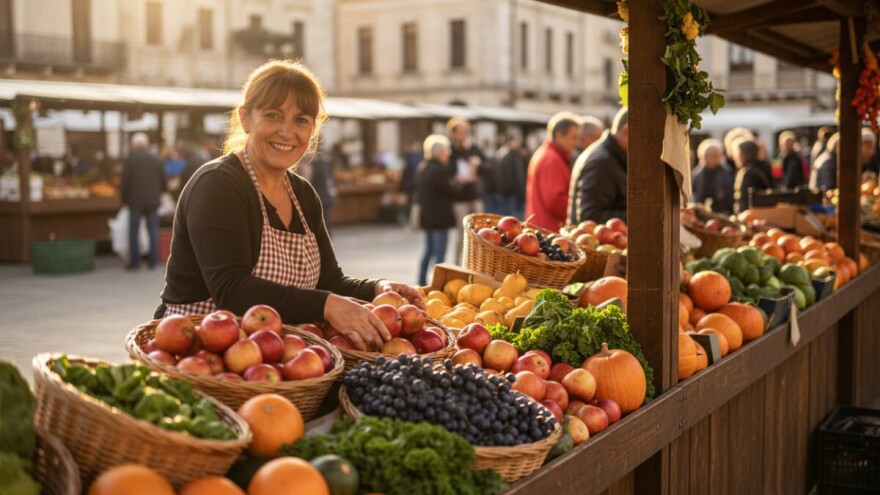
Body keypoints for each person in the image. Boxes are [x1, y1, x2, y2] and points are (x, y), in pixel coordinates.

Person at [155, 60, 422, 351]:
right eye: (273, 115)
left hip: (273, 355)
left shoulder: (303, 194)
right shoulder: (218, 185)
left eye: (301, 120)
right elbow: (231, 291)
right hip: (199, 353)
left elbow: (328, 280)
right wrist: (326, 305)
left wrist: (376, 289)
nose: (286, 131)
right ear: (245, 118)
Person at [414, 134, 475, 286]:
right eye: (446, 150)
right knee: (439, 254)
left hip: (428, 216)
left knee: (428, 251)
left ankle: (421, 281)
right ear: (439, 152)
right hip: (438, 218)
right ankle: (436, 285)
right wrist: (460, 183)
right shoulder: (438, 170)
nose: (448, 153)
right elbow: (451, 192)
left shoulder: (423, 167)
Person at [568, 107, 628, 224]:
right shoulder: (601, 162)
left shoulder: (612, 157)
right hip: (593, 240)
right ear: (627, 131)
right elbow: (589, 216)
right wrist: (641, 214)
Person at [525, 112, 582, 231]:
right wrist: (579, 210)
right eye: (573, 137)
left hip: (542, 226)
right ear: (559, 135)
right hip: (549, 229)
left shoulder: (547, 154)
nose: (576, 143)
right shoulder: (551, 159)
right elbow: (555, 201)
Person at [121, 132, 166, 270]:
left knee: (133, 231)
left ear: (135, 145)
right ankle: (152, 261)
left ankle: (135, 261)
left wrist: (125, 200)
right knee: (152, 229)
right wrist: (159, 194)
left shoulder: (130, 160)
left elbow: (125, 183)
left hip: (135, 201)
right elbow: (163, 181)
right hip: (153, 200)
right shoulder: (156, 159)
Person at [446, 117, 483, 263]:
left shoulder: (473, 149)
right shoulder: (450, 151)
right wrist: (456, 180)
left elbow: (487, 168)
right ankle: (458, 264)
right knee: (461, 234)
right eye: (460, 132)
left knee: (479, 234)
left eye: (465, 132)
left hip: (474, 195)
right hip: (459, 198)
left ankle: (475, 263)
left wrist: (477, 164)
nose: (463, 135)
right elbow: (446, 174)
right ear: (453, 134)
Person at [691, 138, 735, 214]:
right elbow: (695, 197)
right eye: (713, 156)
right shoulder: (697, 174)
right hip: (702, 214)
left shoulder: (726, 172)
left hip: (723, 213)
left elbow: (730, 196)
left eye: (718, 155)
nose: (717, 158)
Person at [733, 139, 773, 214]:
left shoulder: (748, 173)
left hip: (752, 217)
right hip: (764, 214)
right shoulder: (763, 167)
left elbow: (745, 201)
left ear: (745, 155)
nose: (736, 157)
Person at [494, 135, 528, 218]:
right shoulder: (510, 156)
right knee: (511, 216)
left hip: (508, 191)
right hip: (511, 191)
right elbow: (516, 175)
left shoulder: (503, 154)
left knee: (506, 216)